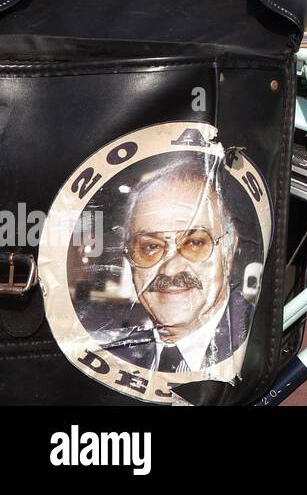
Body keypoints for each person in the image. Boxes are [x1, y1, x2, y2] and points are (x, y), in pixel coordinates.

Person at [104, 159, 250, 374]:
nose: (170, 269)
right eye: (150, 247)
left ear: (229, 249)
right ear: (129, 257)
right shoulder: (113, 359)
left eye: (195, 243)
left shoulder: (262, 338)